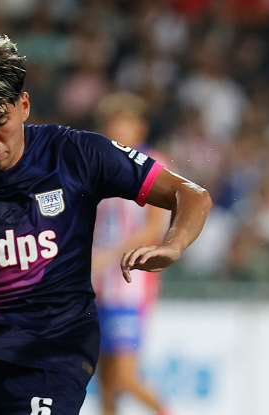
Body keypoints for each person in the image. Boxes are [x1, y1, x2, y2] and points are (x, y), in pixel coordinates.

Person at [0, 31, 212, 415]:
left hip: (54, 353)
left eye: (0, 121)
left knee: (122, 380)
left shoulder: (75, 154)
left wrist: (174, 243)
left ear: (24, 105)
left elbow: (192, 194)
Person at [91, 92, 171, 415]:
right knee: (104, 379)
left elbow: (153, 229)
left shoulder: (154, 166)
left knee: (125, 376)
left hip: (130, 285)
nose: (120, 129)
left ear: (140, 127)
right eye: (114, 123)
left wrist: (107, 257)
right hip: (97, 285)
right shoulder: (97, 166)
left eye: (126, 122)